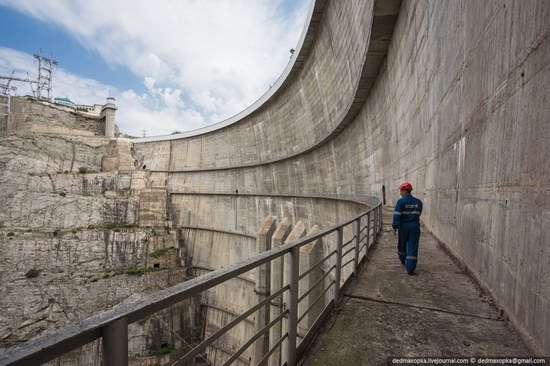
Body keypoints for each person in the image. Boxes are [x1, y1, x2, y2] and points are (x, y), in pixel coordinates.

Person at [392, 182, 423, 275]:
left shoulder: (400, 202)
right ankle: (410, 268)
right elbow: (418, 213)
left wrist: (394, 226)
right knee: (413, 246)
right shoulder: (418, 202)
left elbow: (397, 215)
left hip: (404, 227)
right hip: (415, 226)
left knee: (402, 244)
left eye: (401, 191)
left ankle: (403, 260)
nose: (400, 193)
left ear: (405, 191)